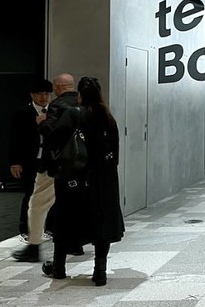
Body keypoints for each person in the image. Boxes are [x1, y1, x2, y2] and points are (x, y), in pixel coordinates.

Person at [42, 76, 124, 285]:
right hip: (103, 179)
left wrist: (42, 125)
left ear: (80, 95)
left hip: (75, 178)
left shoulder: (74, 114)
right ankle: (100, 271)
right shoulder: (108, 117)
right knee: (101, 223)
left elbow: (53, 141)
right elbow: (114, 152)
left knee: (64, 219)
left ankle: (59, 268)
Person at [13, 73, 79, 262]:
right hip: (79, 164)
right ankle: (74, 243)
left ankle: (34, 246)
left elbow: (54, 136)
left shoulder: (58, 106)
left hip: (55, 164)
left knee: (38, 203)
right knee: (72, 203)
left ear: (57, 88)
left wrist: (42, 124)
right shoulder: (84, 105)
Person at [8, 78, 52, 243]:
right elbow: (14, 140)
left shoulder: (54, 112)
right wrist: (15, 162)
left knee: (49, 195)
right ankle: (25, 229)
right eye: (40, 94)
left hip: (49, 159)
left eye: (46, 94)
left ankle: (47, 227)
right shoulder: (22, 113)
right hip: (29, 160)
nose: (43, 98)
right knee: (30, 194)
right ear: (32, 95)